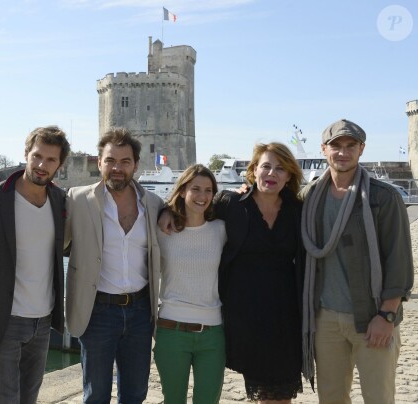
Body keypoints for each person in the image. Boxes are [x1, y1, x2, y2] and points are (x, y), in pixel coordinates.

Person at [158, 142, 305, 403]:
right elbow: (197, 210)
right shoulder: (233, 204)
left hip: (286, 315)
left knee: (281, 395)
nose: (272, 173)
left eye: (280, 169)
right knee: (260, 391)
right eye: (266, 166)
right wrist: (167, 210)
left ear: (290, 175)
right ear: (254, 170)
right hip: (245, 316)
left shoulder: (298, 209)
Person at [301, 119, 414, 403]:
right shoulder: (309, 196)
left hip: (373, 315)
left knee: (378, 397)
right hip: (325, 318)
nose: (343, 152)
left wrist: (387, 316)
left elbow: (399, 261)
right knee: (332, 398)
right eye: (336, 146)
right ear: (323, 149)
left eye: (350, 145)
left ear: (361, 149)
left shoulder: (383, 197)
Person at [64, 127, 164, 403]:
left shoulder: (154, 205)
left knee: (135, 394)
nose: (117, 168)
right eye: (110, 160)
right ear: (99, 163)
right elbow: (52, 241)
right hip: (97, 311)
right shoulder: (76, 199)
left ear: (136, 165)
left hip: (141, 311)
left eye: (124, 161)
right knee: (96, 395)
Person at [0, 126, 70, 403]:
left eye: (51, 160)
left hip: (43, 322)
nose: (42, 165)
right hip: (4, 321)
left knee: (30, 398)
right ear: (26, 153)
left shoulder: (60, 200)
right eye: (37, 156)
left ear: (59, 165)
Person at [154, 164, 227, 404]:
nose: (202, 196)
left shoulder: (221, 230)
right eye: (195, 189)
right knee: (173, 400)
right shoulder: (163, 230)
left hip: (213, 333)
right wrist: (166, 210)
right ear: (183, 190)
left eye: (208, 190)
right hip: (171, 331)